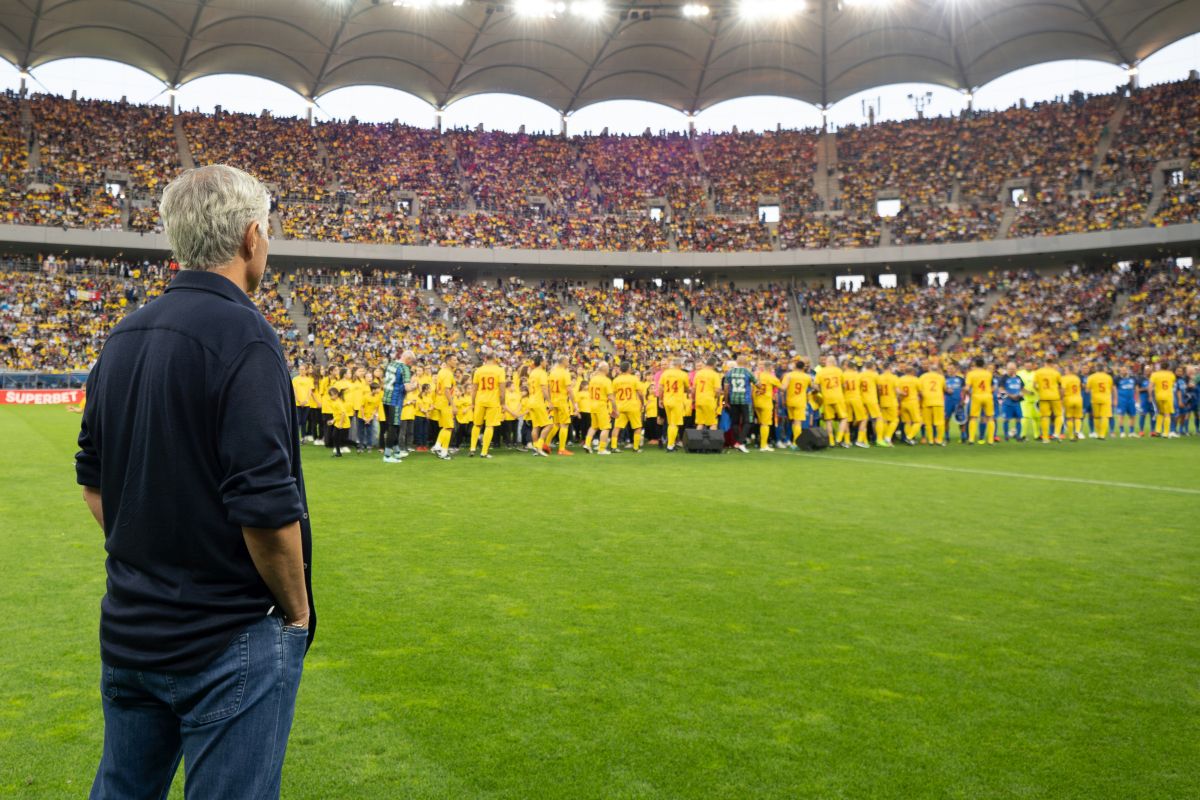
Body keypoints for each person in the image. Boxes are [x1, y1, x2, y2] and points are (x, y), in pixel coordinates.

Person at [76, 165, 313, 800]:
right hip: (226, 636)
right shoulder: (248, 336)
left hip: (131, 628)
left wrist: (154, 557)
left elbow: (93, 484)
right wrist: (295, 612)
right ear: (250, 238)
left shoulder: (121, 337)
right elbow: (265, 508)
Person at [470, 350, 506, 458]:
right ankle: (484, 452)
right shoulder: (500, 370)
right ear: (495, 359)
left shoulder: (478, 370)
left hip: (480, 400)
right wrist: (503, 403)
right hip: (493, 401)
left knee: (477, 424)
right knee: (489, 426)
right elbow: (502, 389)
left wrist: (472, 402)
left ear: (485, 359)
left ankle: (472, 448)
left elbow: (474, 389)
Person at [722, 355, 757, 453]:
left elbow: (726, 389)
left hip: (733, 400)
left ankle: (738, 442)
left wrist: (726, 401)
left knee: (735, 422)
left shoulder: (729, 372)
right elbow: (758, 384)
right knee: (748, 421)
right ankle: (740, 442)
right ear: (746, 363)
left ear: (736, 362)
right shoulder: (748, 372)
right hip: (745, 400)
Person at [815, 355, 849, 447]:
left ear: (827, 362)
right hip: (838, 397)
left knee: (828, 420)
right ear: (834, 362)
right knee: (844, 418)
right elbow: (844, 385)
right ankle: (838, 438)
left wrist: (822, 392)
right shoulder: (838, 371)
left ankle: (831, 441)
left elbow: (816, 386)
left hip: (826, 397)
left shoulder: (821, 372)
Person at [611, 362, 645, 453]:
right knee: (637, 427)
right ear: (629, 369)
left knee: (617, 427)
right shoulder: (634, 379)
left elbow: (612, 395)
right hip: (632, 406)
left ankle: (613, 446)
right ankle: (635, 447)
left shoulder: (616, 380)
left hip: (620, 406)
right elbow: (640, 393)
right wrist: (642, 403)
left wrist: (613, 407)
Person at [660, 356, 691, 452]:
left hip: (667, 400)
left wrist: (661, 399)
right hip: (677, 401)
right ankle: (670, 446)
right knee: (675, 424)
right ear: (680, 365)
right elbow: (687, 388)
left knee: (670, 424)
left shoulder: (665, 373)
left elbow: (661, 388)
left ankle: (671, 444)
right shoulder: (683, 374)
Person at [584, 361, 616, 455]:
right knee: (606, 428)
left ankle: (587, 444)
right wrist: (615, 409)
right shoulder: (606, 380)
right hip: (601, 405)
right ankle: (601, 449)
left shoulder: (593, 379)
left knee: (594, 426)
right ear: (605, 369)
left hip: (592, 405)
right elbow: (611, 397)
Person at [431, 356, 458, 460]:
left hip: (440, 402)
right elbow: (447, 390)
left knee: (447, 428)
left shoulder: (441, 372)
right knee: (449, 426)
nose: (456, 362)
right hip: (445, 403)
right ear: (448, 361)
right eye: (454, 360)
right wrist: (453, 405)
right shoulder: (447, 373)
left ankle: (444, 452)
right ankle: (437, 446)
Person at [548, 355, 575, 455]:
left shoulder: (552, 372)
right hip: (562, 401)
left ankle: (546, 444)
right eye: (568, 361)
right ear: (563, 361)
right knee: (564, 424)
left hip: (554, 400)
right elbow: (569, 389)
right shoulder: (565, 373)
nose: (569, 363)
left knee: (556, 424)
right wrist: (574, 403)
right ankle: (562, 449)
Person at [781, 358, 812, 446]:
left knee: (792, 421)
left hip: (790, 401)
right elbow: (813, 386)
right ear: (803, 367)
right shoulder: (807, 377)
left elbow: (783, 388)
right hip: (800, 401)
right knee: (797, 422)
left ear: (795, 366)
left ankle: (789, 440)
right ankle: (796, 442)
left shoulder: (789, 375)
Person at [526, 354, 552, 456]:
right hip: (538, 402)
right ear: (541, 362)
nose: (546, 363)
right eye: (545, 361)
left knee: (536, 426)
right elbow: (544, 389)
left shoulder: (532, 373)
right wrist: (549, 401)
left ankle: (535, 447)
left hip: (531, 401)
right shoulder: (542, 373)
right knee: (549, 425)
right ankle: (539, 446)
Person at [964, 357, 995, 445]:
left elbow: (967, 388)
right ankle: (990, 440)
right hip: (988, 396)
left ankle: (971, 440)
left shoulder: (971, 374)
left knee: (973, 418)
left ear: (975, 364)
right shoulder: (988, 373)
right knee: (990, 418)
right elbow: (992, 387)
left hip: (976, 396)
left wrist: (967, 394)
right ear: (983, 365)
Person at [1033, 359, 1064, 443]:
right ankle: (1056, 433)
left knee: (1045, 417)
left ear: (1045, 363)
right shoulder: (1056, 372)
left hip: (1043, 397)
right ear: (1052, 364)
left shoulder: (1038, 372)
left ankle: (1045, 438)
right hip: (1055, 397)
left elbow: (1034, 385)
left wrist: (1040, 391)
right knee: (1058, 415)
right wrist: (1061, 397)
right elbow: (1061, 386)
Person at [753, 360, 782, 451]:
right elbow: (782, 387)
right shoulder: (771, 377)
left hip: (756, 401)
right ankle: (763, 445)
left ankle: (761, 443)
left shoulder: (758, 375)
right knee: (765, 424)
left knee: (761, 424)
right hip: (766, 403)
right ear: (770, 368)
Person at [918, 358, 947, 446]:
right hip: (938, 401)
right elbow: (944, 389)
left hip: (926, 401)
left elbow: (919, 390)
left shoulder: (922, 377)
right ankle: (939, 440)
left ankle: (930, 440)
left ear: (929, 369)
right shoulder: (941, 377)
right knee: (939, 422)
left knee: (928, 423)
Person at [693, 358, 723, 432]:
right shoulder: (714, 374)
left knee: (700, 423)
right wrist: (718, 399)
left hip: (699, 400)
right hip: (709, 401)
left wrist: (694, 399)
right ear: (714, 364)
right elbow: (717, 390)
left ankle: (697, 442)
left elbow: (693, 388)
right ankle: (713, 443)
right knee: (713, 423)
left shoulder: (698, 373)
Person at [1086, 364, 1115, 440]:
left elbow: (1087, 390)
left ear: (1096, 369)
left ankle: (1098, 433)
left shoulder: (1091, 377)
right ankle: (1102, 435)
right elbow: (1112, 388)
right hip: (1106, 398)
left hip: (1095, 399)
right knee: (1105, 416)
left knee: (1096, 417)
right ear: (1103, 369)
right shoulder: (1108, 377)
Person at [1149, 361, 1177, 438]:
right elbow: (1174, 384)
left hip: (1158, 396)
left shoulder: (1154, 374)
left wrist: (1150, 396)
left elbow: (1150, 386)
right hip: (1168, 396)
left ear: (1160, 367)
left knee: (1160, 413)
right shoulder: (1171, 375)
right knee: (1167, 414)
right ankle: (1166, 433)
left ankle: (1157, 430)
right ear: (1168, 367)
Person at [896, 363, 922, 445]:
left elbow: (898, 391)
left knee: (907, 422)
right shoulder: (915, 379)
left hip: (903, 402)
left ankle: (908, 439)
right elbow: (921, 392)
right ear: (912, 372)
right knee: (918, 422)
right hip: (912, 402)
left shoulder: (900, 379)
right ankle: (909, 437)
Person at [1000, 362, 1026, 442]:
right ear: (1007, 369)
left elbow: (1022, 389)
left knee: (1018, 419)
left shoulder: (1018, 378)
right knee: (1006, 420)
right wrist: (1011, 396)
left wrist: (1022, 394)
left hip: (1017, 403)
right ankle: (1006, 436)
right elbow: (1001, 390)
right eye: (1010, 369)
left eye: (1014, 369)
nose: (1012, 371)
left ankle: (1018, 436)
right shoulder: (1004, 378)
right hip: (1007, 403)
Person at [875, 361, 899, 446]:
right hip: (891, 401)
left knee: (883, 420)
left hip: (882, 401)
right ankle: (887, 437)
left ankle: (881, 439)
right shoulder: (894, 377)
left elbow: (877, 389)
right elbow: (897, 391)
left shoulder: (879, 377)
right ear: (889, 368)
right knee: (895, 420)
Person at [1060, 363, 1085, 441]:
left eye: (1065, 370)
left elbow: (1063, 389)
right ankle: (1077, 431)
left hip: (1068, 399)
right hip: (1078, 399)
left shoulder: (1064, 378)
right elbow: (1081, 387)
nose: (1064, 371)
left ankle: (1071, 436)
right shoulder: (1077, 378)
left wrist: (1061, 398)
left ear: (1069, 371)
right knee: (1077, 417)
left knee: (1069, 418)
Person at [292, 364, 315, 443]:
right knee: (297, 421)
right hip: (297, 404)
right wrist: (298, 400)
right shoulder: (295, 379)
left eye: (303, 369)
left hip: (306, 404)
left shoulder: (309, 380)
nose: (301, 371)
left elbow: (310, 391)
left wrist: (306, 400)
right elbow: (294, 391)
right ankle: (295, 438)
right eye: (300, 369)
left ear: (306, 370)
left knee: (304, 421)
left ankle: (303, 438)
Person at [1115, 364, 1138, 438]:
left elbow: (1136, 388)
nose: (1123, 371)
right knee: (1121, 415)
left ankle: (1131, 432)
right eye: (1122, 370)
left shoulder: (1133, 378)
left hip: (1131, 400)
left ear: (1127, 370)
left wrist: (1137, 400)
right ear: (1120, 371)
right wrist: (1115, 399)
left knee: (1133, 415)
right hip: (1121, 400)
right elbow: (1114, 389)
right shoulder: (1117, 378)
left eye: (1125, 370)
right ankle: (1122, 432)